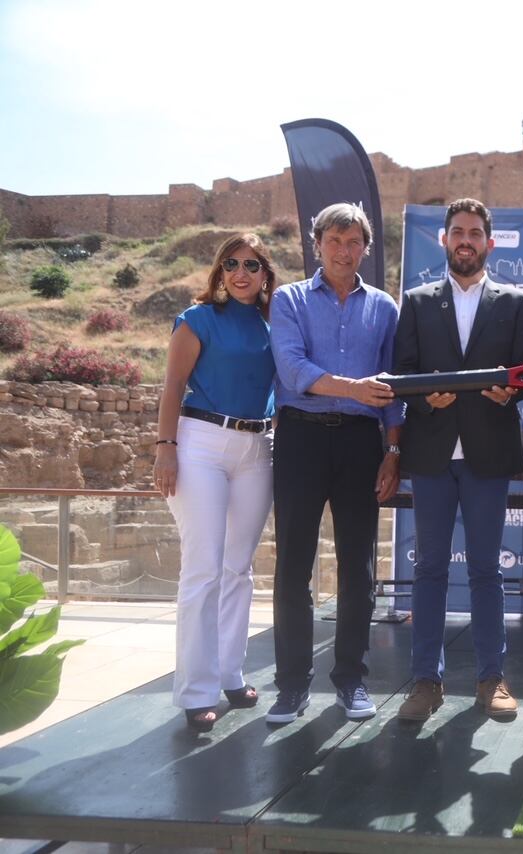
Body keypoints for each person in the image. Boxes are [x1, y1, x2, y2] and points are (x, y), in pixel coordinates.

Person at [392, 199, 523, 722]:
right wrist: (424, 398)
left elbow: (522, 375)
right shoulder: (418, 300)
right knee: (428, 569)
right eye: (458, 232)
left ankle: (490, 679)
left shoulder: (515, 302)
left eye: (476, 232)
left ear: (489, 243)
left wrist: (510, 395)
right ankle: (426, 683)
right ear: (445, 241)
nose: (466, 240)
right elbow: (401, 372)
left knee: (484, 570)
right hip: (431, 454)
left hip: (487, 455)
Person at [266, 202, 404, 723]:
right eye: (334, 241)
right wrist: (355, 388)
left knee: (358, 569)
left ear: (366, 248)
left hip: (360, 444)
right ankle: (292, 686)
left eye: (354, 242)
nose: (344, 251)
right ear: (317, 243)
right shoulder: (289, 300)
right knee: (293, 567)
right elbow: (294, 368)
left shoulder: (384, 308)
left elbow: (395, 391)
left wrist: (393, 450)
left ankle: (351, 680)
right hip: (300, 438)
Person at [155, 233, 277, 732]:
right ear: (219, 271)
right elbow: (172, 386)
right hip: (200, 441)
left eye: (251, 264)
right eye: (231, 263)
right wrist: (166, 448)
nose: (241, 272)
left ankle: (229, 672)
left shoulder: (277, 322)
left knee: (239, 567)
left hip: (257, 448)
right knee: (203, 568)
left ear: (266, 273)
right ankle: (195, 691)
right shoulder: (197, 319)